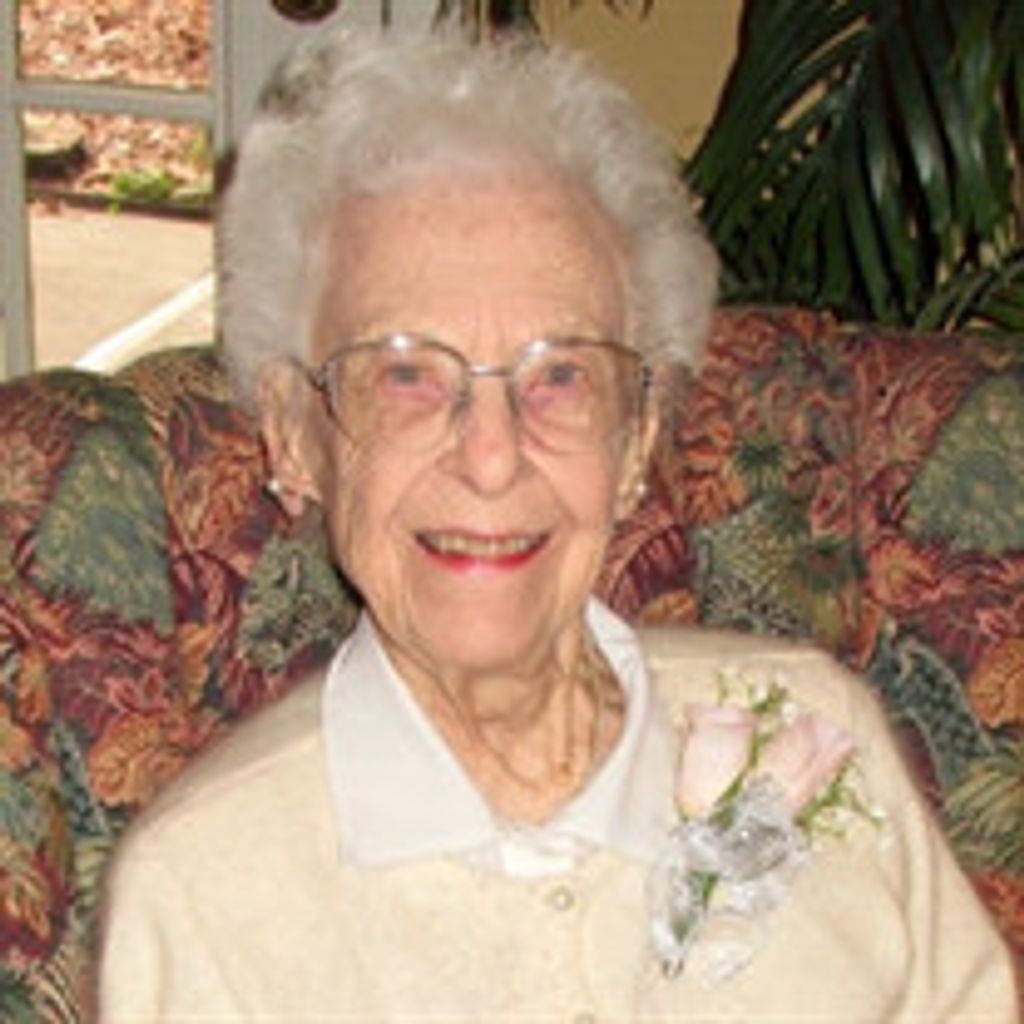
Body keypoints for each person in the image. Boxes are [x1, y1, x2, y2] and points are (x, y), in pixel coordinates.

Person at [98, 27, 1016, 1021]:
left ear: (637, 437)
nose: (491, 455)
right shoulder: (202, 890)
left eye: (561, 374)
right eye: (406, 375)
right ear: (292, 435)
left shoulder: (808, 731)